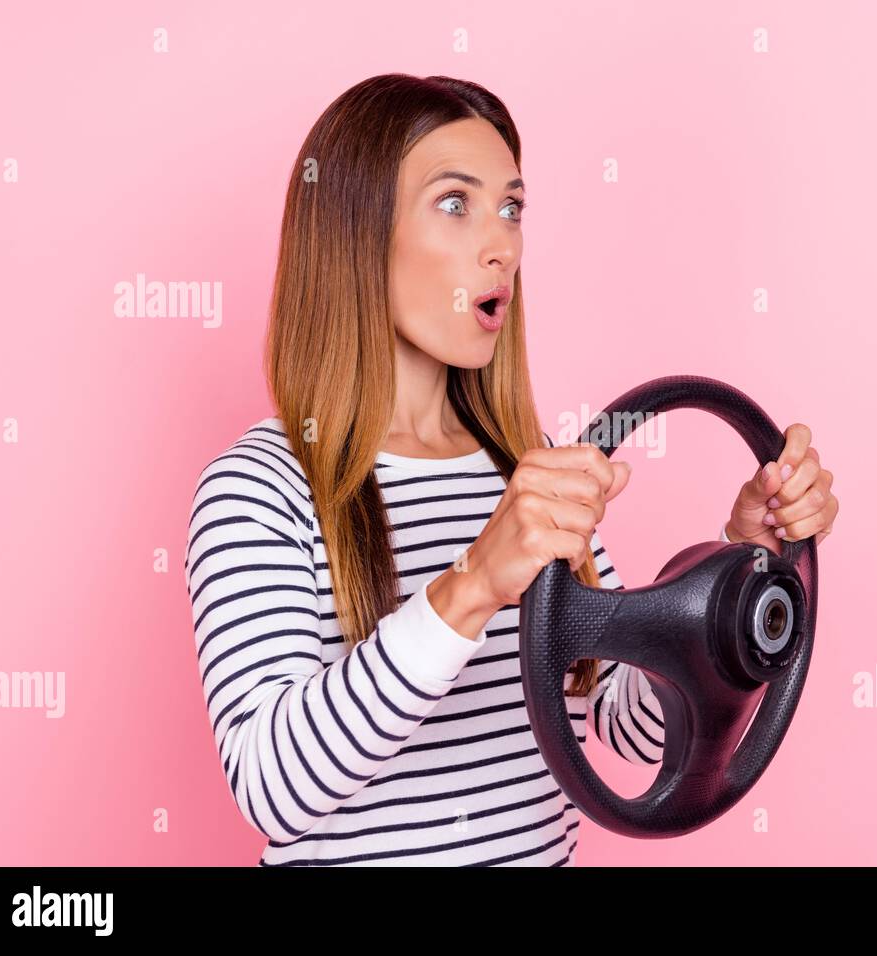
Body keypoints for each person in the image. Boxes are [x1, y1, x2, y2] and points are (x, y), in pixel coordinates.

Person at [183, 73, 839, 866]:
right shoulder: (260, 489)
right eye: (455, 203)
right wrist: (473, 583)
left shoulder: (521, 473)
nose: (503, 246)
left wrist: (735, 576)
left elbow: (623, 724)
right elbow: (274, 787)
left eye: (513, 207)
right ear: (356, 231)